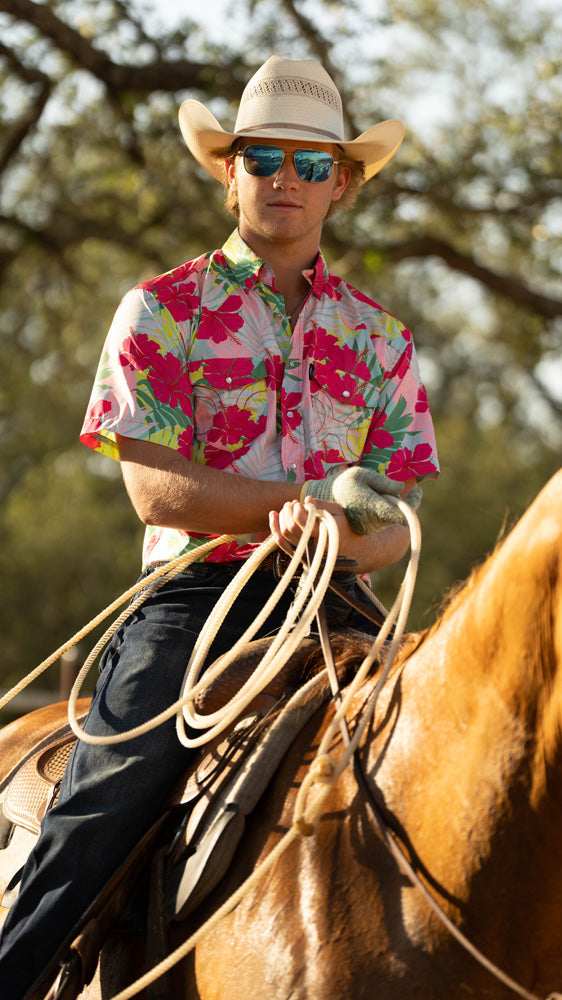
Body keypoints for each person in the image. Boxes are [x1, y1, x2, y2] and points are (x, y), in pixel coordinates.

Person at [0, 55, 439, 998]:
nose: (286, 178)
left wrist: (341, 537)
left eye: (311, 163)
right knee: (104, 803)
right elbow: (155, 491)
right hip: (198, 601)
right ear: (226, 169)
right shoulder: (162, 311)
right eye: (264, 157)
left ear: (344, 182)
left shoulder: (383, 340)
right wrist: (296, 505)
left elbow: (397, 521)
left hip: (341, 603)